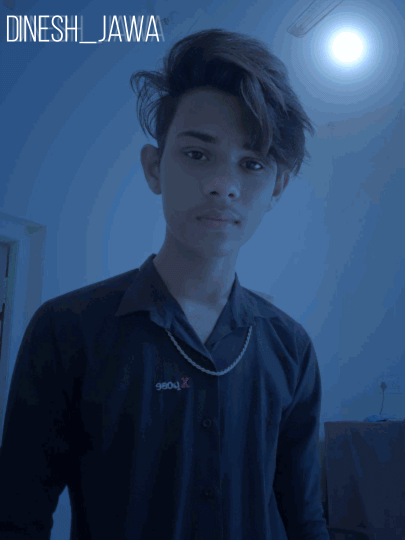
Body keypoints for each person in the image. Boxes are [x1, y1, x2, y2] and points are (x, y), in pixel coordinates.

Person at [0, 28, 329, 539]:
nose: (223, 184)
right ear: (155, 168)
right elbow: (18, 516)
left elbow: (306, 519)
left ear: (276, 188)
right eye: (197, 154)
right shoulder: (66, 331)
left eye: (252, 163)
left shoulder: (291, 348)